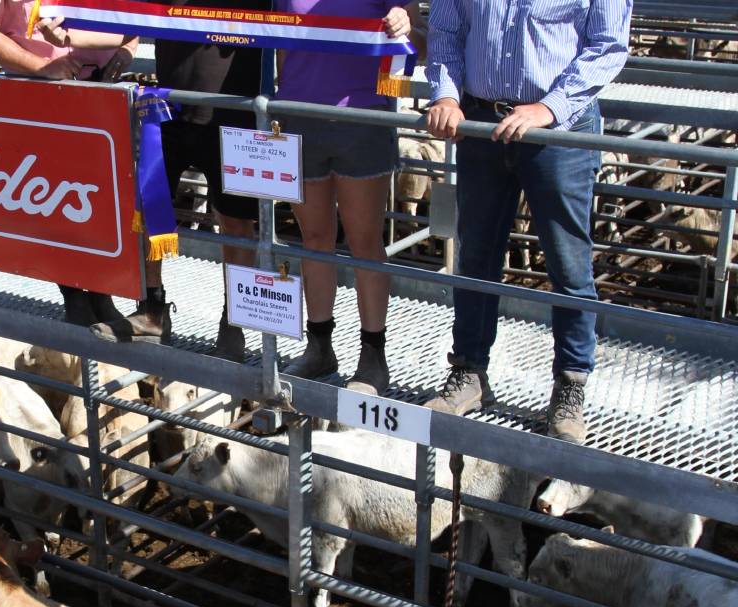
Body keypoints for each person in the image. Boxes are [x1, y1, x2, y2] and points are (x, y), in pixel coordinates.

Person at [424, 0, 632, 442]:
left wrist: (549, 107)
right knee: (476, 253)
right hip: (481, 123)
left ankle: (570, 385)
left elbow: (608, 43)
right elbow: (446, 29)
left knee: (568, 263)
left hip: (560, 129)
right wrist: (446, 93)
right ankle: (469, 371)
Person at [38, 1, 268, 361]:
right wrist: (67, 34)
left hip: (232, 110)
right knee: (147, 210)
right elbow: (128, 21)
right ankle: (151, 310)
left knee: (237, 223)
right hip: (168, 104)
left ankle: (234, 324)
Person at [0, 0, 138, 327]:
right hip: (37, 89)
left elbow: (134, 22)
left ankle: (100, 292)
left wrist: (122, 56)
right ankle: (72, 291)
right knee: (55, 197)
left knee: (100, 198)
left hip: (101, 89)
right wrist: (40, 67)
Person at [273, 0, 410, 397]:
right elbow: (279, 38)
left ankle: (372, 355)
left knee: (364, 241)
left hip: (362, 116)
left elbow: (419, 38)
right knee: (313, 238)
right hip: (298, 114)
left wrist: (403, 23)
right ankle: (319, 346)